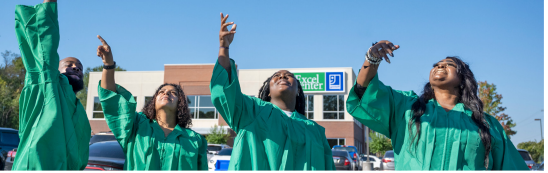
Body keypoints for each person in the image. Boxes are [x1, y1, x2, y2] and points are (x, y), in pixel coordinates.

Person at [346, 40, 529, 170]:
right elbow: (365, 91)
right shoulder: (408, 109)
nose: (440, 66)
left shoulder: (486, 124)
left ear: (463, 79)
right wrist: (372, 59)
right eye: (437, 64)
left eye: (449, 65)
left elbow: (511, 166)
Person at [210, 13, 334, 170]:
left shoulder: (314, 130)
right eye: (276, 76)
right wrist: (224, 47)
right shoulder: (252, 111)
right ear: (268, 91)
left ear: (298, 90)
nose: (282, 76)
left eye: (289, 76)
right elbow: (225, 91)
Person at [13, 0, 91, 170]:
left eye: (80, 68)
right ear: (55, 70)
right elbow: (45, 39)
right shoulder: (48, 85)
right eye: (69, 65)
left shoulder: (78, 110)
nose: (76, 67)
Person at [97, 36, 208, 170]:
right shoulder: (135, 127)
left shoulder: (195, 140)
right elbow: (112, 99)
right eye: (161, 92)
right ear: (153, 101)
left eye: (173, 93)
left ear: (181, 104)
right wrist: (108, 65)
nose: (166, 93)